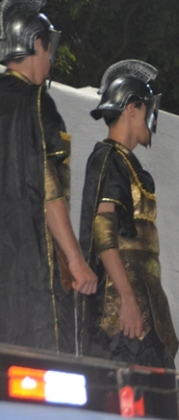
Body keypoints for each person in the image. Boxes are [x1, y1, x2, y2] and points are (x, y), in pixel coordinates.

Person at [0, 0, 97, 353]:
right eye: (47, 48)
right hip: (31, 266)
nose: (50, 59)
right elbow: (48, 187)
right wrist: (74, 259)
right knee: (42, 368)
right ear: (36, 44)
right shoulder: (37, 102)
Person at [79, 60, 177, 367]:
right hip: (120, 313)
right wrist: (127, 299)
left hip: (143, 305)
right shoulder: (108, 158)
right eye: (147, 109)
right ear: (132, 108)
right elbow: (103, 231)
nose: (151, 118)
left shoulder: (127, 162)